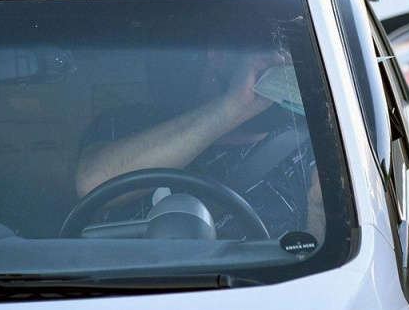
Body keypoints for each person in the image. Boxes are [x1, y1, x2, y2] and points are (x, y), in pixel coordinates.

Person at [76, 47, 325, 241]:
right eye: (268, 53)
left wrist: (318, 213)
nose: (283, 61)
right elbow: (93, 184)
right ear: (218, 55)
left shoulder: (311, 151)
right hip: (120, 300)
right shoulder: (130, 123)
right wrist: (234, 107)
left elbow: (317, 269)